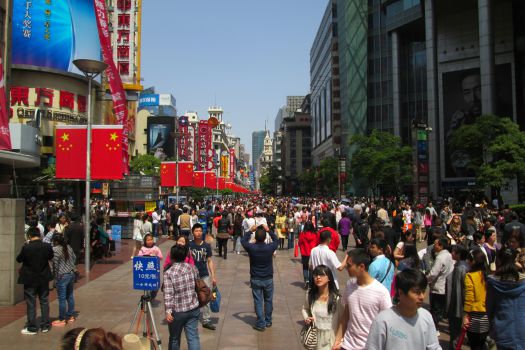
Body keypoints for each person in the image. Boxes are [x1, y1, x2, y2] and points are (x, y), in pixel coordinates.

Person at [365, 269, 441, 350]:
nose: (422, 297)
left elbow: (434, 346)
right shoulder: (383, 320)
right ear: (400, 293)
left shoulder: (426, 316)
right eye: (417, 292)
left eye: (423, 291)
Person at [333, 248, 392, 350]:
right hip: (347, 345)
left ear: (361, 266)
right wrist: (337, 341)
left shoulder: (381, 292)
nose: (346, 268)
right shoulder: (350, 284)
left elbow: (388, 324)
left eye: (349, 265)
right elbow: (345, 316)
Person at [17, 227, 54, 334]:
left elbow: (19, 259)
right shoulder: (46, 246)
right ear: (40, 235)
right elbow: (51, 256)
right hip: (43, 277)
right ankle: (45, 325)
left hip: (30, 278)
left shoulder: (26, 247)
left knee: (31, 302)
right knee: (44, 301)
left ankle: (32, 327)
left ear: (29, 236)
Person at [164, 244, 201, 350]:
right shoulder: (192, 268)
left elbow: (168, 294)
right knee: (193, 338)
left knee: (174, 338)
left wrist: (168, 311)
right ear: (185, 256)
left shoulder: (169, 273)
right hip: (193, 308)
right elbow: (197, 284)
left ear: (171, 257)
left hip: (178, 312)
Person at [241, 225, 279, 331]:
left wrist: (249, 231)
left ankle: (261, 323)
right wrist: (269, 230)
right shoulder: (270, 247)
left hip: (256, 278)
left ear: (256, 237)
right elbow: (276, 240)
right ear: (265, 237)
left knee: (258, 301)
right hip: (268, 278)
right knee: (268, 300)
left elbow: (243, 241)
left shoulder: (251, 248)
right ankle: (268, 320)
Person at [486, 248, 525, 349]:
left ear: (498, 260)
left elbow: (489, 308)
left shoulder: (492, 282)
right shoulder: (523, 281)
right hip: (522, 330)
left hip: (502, 329)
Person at [301, 265, 342, 350]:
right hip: (315, 337)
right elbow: (305, 308)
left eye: (322, 275)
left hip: (331, 337)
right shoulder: (310, 295)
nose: (318, 277)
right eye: (315, 275)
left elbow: (342, 320)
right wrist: (307, 318)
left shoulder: (336, 298)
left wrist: (340, 340)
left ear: (329, 278)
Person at [189, 223, 217, 331]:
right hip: (191, 275)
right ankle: (192, 318)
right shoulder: (189, 245)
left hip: (204, 274)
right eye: (196, 231)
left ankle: (206, 320)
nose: (198, 233)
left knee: (206, 297)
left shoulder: (206, 246)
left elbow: (210, 261)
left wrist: (213, 276)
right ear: (192, 232)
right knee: (192, 297)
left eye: (200, 231)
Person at [463, 248, 490, 350]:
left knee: (475, 345)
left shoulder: (470, 276)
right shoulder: (487, 275)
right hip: (487, 315)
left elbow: (469, 297)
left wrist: (465, 315)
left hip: (474, 315)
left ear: (473, 261)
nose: (467, 261)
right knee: (482, 343)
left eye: (469, 259)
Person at [427, 236, 454, 333]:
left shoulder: (440, 257)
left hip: (437, 287)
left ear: (441, 246)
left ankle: (434, 328)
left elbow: (433, 273)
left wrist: (426, 279)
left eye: (435, 244)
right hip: (444, 286)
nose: (434, 246)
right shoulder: (449, 255)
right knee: (439, 309)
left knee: (436, 309)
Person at [446, 245, 469, 350]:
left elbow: (458, 290)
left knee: (455, 335)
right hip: (459, 307)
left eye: (454, 252)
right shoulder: (463, 266)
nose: (452, 254)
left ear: (459, 255)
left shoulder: (461, 268)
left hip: (457, 307)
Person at [51, 235, 77, 327]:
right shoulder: (68, 247)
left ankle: (62, 319)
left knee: (62, 298)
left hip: (62, 275)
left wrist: (55, 276)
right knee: (70, 295)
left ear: (55, 241)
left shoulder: (55, 250)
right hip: (71, 273)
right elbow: (74, 258)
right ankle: (70, 316)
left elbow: (55, 264)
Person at [138, 233, 163, 299]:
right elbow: (139, 256)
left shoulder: (156, 248)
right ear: (145, 241)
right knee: (146, 285)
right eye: (148, 240)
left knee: (156, 286)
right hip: (145, 271)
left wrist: (155, 256)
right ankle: (146, 297)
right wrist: (146, 255)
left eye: (151, 239)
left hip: (154, 271)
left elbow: (161, 257)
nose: (150, 241)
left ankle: (151, 297)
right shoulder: (142, 248)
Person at [298, 221, 319, 289]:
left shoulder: (302, 234)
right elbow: (317, 243)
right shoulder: (315, 234)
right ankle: (310, 282)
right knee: (311, 268)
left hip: (304, 253)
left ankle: (306, 281)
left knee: (305, 267)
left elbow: (299, 243)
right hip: (313, 253)